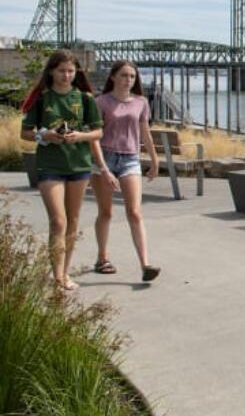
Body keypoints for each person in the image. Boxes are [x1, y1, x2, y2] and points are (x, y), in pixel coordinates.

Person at [19, 49, 105, 291]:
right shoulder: (42, 98)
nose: (66, 75)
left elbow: (98, 132)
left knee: (73, 220)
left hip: (78, 164)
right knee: (58, 220)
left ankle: (65, 272)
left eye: (70, 71)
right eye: (61, 71)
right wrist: (43, 135)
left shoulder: (85, 98)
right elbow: (25, 133)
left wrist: (80, 135)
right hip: (50, 165)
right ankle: (57, 276)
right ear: (52, 71)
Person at [90, 60, 160, 283]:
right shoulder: (101, 102)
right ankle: (102, 258)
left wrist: (155, 160)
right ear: (113, 77)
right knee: (106, 212)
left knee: (135, 212)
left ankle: (145, 265)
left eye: (132, 76)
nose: (128, 79)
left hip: (130, 159)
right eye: (123, 75)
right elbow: (94, 136)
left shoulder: (140, 102)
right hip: (105, 158)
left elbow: (145, 132)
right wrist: (102, 167)